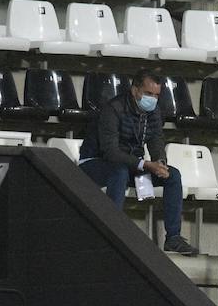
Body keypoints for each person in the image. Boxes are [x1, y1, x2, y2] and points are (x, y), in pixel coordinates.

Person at [77, 68, 198, 256]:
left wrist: (160, 163)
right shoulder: (113, 109)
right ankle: (111, 233)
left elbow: (156, 139)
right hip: (95, 163)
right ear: (135, 90)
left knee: (173, 176)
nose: (153, 99)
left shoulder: (154, 112)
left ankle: (173, 237)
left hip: (131, 164)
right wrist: (145, 165)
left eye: (157, 95)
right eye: (149, 94)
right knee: (119, 172)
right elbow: (111, 153)